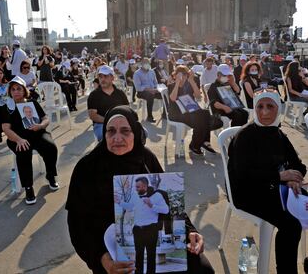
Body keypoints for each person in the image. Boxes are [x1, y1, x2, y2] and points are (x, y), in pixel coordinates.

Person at [66, 105, 215, 274]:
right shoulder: (87, 168)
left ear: (135, 133)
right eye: (111, 131)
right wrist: (102, 259)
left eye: (125, 131)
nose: (117, 137)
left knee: (203, 269)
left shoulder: (146, 158)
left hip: (153, 233)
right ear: (104, 134)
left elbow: (172, 205)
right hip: (109, 252)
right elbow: (77, 226)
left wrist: (190, 231)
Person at [228, 89, 306, 274]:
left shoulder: (278, 134)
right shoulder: (245, 136)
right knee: (291, 225)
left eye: (270, 106)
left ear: (278, 109)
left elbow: (298, 164)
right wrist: (279, 176)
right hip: (247, 193)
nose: (264, 112)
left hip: (274, 188)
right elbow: (242, 175)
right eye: (260, 106)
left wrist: (294, 178)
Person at [1, 76, 59, 205]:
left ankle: (50, 175)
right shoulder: (7, 108)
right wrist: (19, 140)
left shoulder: (33, 103)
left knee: (51, 147)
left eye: (19, 89)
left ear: (24, 90)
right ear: (10, 92)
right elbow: (6, 129)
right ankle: (28, 187)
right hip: (17, 138)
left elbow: (46, 118)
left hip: (37, 133)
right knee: (23, 152)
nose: (16, 92)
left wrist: (41, 126)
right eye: (13, 89)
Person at [115, 176, 169, 274]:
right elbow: (130, 207)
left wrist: (152, 205)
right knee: (138, 255)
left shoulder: (157, 196)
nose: (136, 189)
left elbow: (166, 210)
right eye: (135, 187)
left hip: (151, 229)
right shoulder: (135, 195)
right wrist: (119, 202)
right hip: (138, 230)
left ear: (145, 186)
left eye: (138, 187)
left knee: (151, 255)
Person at [168, 66, 221, 156]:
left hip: (190, 111)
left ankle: (199, 143)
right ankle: (200, 143)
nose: (183, 77)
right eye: (180, 74)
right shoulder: (172, 86)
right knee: (202, 119)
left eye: (185, 74)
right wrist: (177, 83)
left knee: (206, 114)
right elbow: (173, 98)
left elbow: (198, 96)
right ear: (175, 75)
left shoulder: (188, 85)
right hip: (177, 113)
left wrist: (192, 81)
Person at [87, 65, 129, 141]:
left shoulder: (120, 93)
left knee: (141, 133)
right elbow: (93, 115)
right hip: (101, 124)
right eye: (100, 77)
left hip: (120, 123)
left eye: (106, 76)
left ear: (112, 78)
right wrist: (110, 121)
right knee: (109, 137)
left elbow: (127, 110)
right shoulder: (94, 95)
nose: (102, 79)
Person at [133, 58, 162, 122]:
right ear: (141, 64)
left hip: (153, 90)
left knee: (164, 93)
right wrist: (149, 90)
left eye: (148, 63)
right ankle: (149, 116)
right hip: (142, 92)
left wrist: (156, 89)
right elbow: (138, 87)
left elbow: (155, 82)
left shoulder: (151, 71)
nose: (147, 64)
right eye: (145, 63)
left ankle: (165, 114)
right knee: (150, 95)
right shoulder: (137, 73)